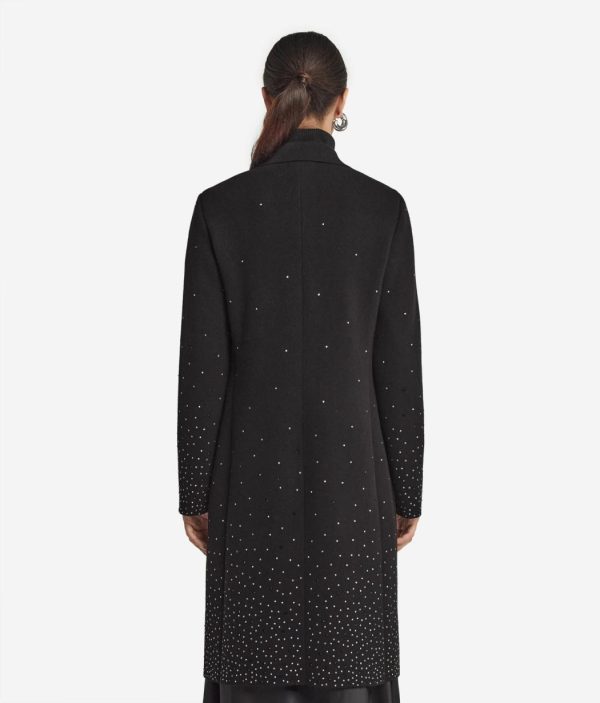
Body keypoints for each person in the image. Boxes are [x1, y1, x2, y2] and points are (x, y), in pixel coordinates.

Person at [177, 30, 424, 703]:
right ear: (342, 101)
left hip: (249, 491)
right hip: (355, 492)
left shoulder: (219, 208)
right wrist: (406, 493)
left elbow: (203, 367)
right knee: (352, 672)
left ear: (268, 99)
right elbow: (398, 368)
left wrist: (195, 492)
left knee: (253, 673)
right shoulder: (383, 209)